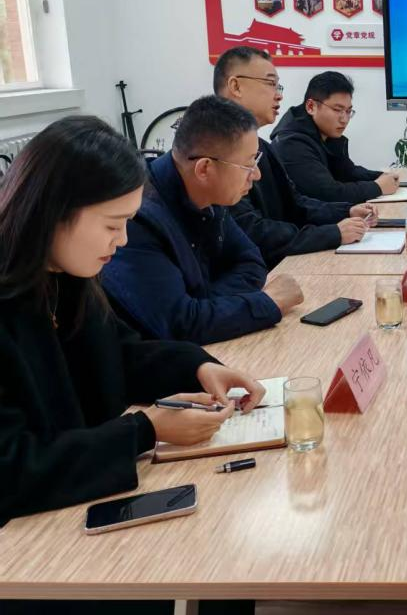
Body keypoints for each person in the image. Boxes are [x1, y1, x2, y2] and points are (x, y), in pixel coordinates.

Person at [0, 116, 266, 527]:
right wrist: (145, 430)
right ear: (53, 212)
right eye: (112, 224)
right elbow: (13, 468)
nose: (123, 239)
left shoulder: (66, 276)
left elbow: (118, 354)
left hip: (79, 508)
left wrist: (198, 368)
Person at [102, 96, 304, 344]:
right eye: (248, 164)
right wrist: (268, 302)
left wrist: (203, 306)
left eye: (256, 160)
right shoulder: (136, 217)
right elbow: (179, 325)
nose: (257, 174)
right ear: (205, 169)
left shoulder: (210, 195)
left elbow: (251, 262)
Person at [213, 45, 377, 268]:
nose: (279, 95)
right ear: (236, 86)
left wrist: (346, 211)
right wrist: (332, 233)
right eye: (270, 84)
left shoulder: (263, 147)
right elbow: (253, 232)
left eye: (278, 86)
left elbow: (295, 202)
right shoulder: (216, 152)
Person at [271, 70, 400, 204]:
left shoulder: (325, 131)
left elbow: (347, 171)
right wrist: (377, 187)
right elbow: (329, 194)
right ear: (311, 106)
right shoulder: (291, 144)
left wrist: (382, 176)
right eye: (337, 110)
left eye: (348, 111)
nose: (344, 119)